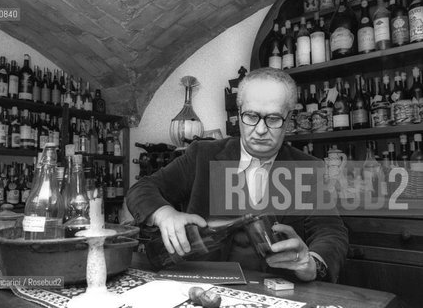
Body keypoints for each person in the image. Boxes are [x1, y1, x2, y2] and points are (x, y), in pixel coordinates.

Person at [126, 68, 348, 283]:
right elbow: (142, 189)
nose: (260, 130)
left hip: (276, 294)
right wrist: (164, 214)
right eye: (251, 116)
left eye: (273, 119)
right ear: (239, 113)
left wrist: (312, 263)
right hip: (203, 284)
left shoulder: (308, 169)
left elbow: (331, 231)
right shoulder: (202, 155)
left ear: (289, 119)